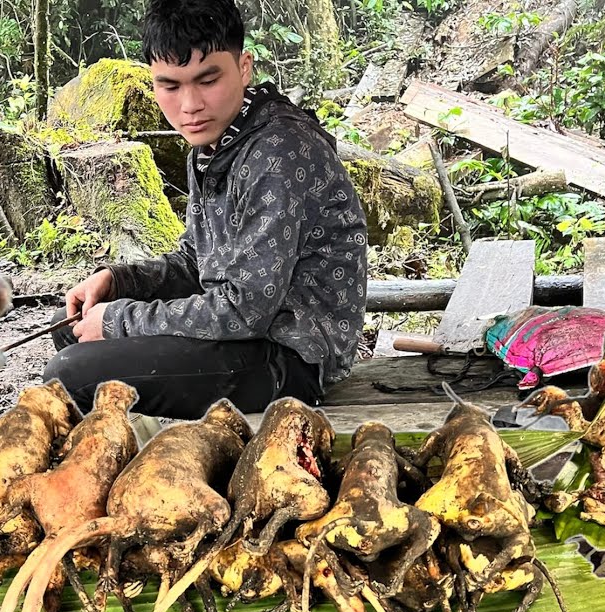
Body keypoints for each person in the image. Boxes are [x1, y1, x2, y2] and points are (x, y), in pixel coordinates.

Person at [41, 0, 368, 419]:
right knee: (71, 328)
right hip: (246, 334)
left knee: (73, 372)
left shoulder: (279, 153)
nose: (190, 105)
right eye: (170, 86)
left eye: (207, 79)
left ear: (244, 67)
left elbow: (245, 308)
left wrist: (120, 320)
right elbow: (198, 262)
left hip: (291, 355)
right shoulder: (215, 143)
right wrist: (121, 282)